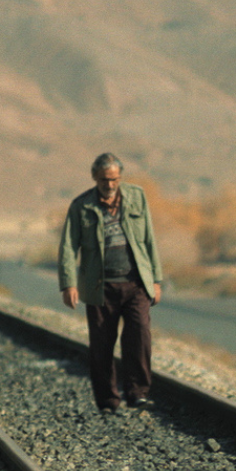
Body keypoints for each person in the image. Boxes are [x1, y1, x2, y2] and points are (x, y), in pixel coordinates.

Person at [58, 153, 164, 413]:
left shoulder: (137, 197)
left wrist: (157, 279)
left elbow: (149, 238)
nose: (110, 184)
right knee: (102, 345)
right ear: (95, 177)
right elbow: (69, 248)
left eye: (115, 179)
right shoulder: (81, 206)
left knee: (139, 337)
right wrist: (68, 284)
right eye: (105, 179)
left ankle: (137, 393)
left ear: (120, 177)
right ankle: (108, 400)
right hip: (100, 287)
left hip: (136, 282)